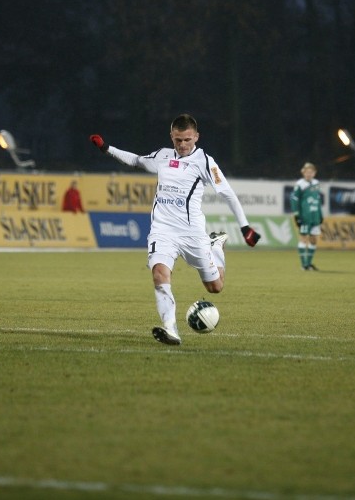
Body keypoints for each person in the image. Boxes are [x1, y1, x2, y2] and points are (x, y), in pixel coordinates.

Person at [89, 113, 261, 346]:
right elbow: (136, 160)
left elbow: (228, 194)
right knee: (159, 273)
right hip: (163, 230)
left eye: (187, 140)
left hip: (192, 234)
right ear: (172, 136)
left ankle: (215, 246)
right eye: (178, 140)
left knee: (215, 287)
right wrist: (106, 148)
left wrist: (245, 227)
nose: (182, 145)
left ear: (196, 137)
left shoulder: (205, 161)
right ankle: (171, 329)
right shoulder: (162, 156)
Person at [289, 162, 322, 271]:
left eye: (311, 172)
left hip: (315, 216)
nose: (309, 174)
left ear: (314, 173)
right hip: (305, 216)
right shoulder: (300, 184)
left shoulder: (317, 183)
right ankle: (304, 265)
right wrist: (297, 215)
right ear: (303, 172)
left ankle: (309, 263)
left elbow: (318, 200)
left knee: (313, 240)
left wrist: (320, 215)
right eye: (307, 172)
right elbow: (294, 200)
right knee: (303, 238)